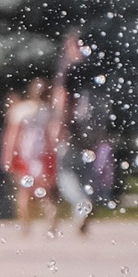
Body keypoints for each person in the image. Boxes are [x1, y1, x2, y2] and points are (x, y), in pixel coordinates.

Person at [55, 28, 113, 232]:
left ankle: (81, 204)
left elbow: (64, 98)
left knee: (65, 171)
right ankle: (86, 202)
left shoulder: (70, 68)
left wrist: (60, 125)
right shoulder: (96, 67)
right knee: (85, 167)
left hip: (74, 125)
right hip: (94, 127)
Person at [1, 77, 61, 233]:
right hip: (40, 153)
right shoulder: (47, 111)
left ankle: (25, 223)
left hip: (24, 153)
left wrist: (8, 156)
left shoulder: (21, 111)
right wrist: (51, 154)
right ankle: (50, 214)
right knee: (44, 190)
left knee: (24, 190)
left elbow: (13, 135)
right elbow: (48, 135)